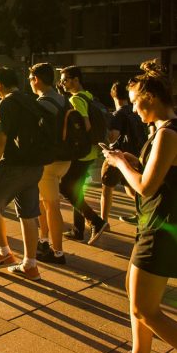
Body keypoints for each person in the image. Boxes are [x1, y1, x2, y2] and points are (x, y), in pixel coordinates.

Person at [100, 60, 177, 353]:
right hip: (153, 223)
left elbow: (147, 186)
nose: (132, 107)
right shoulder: (163, 130)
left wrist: (119, 162)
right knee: (135, 296)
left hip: (162, 228)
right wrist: (136, 161)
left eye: (135, 99)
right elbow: (156, 174)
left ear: (150, 95)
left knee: (147, 308)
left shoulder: (168, 133)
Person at [0, 67, 45, 280]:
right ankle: (30, 264)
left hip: (14, 165)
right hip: (35, 165)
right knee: (28, 214)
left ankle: (4, 253)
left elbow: (1, 139)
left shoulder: (5, 104)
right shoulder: (31, 100)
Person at [59, 66, 109, 245]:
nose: (62, 83)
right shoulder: (89, 95)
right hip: (92, 151)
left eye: (65, 79)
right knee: (77, 189)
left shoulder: (76, 99)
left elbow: (85, 126)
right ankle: (78, 230)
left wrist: (77, 145)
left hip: (82, 152)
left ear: (76, 80)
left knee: (65, 188)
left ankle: (96, 221)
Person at [28, 63, 72, 264]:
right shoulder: (63, 99)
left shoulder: (43, 103)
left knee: (52, 206)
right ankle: (43, 241)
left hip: (49, 162)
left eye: (30, 79)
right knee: (45, 202)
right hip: (66, 158)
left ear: (36, 79)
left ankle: (58, 253)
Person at [100, 81, 147, 224]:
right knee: (131, 190)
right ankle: (143, 212)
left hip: (119, 155)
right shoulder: (135, 111)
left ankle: (103, 221)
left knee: (107, 188)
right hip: (136, 153)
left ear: (112, 95)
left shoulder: (118, 114)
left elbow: (113, 137)